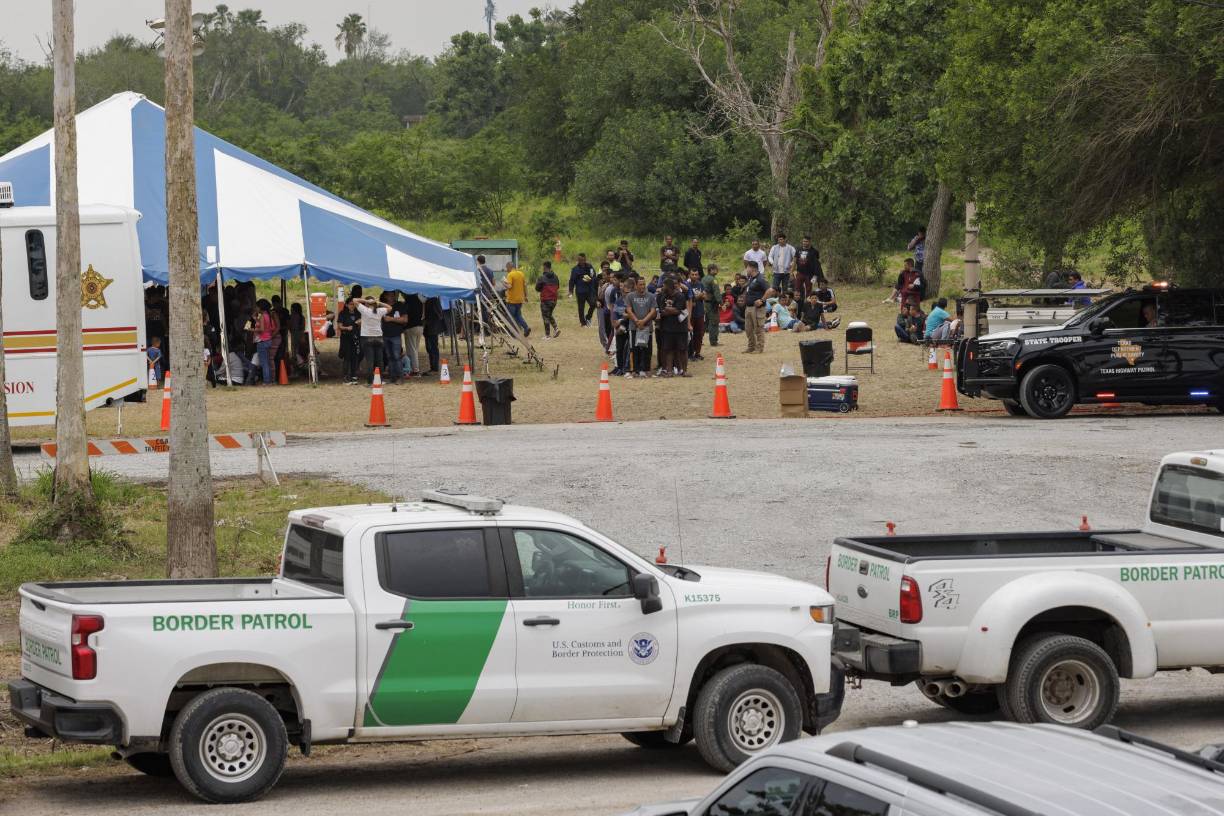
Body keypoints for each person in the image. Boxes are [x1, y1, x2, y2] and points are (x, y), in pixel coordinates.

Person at [654, 277, 689, 376]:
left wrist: (669, 310)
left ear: (668, 287)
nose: (662, 287)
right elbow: (662, 310)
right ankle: (669, 371)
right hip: (667, 328)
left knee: (682, 349)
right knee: (668, 350)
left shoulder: (680, 296)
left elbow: (678, 310)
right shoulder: (661, 296)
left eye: (664, 286)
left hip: (680, 328)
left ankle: (684, 371)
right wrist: (671, 311)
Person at [354, 295, 389, 383]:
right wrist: (378, 302)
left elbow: (354, 300)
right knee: (379, 360)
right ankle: (380, 380)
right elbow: (389, 307)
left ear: (367, 303)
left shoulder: (365, 310)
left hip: (366, 337)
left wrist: (366, 301)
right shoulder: (379, 310)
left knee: (370, 360)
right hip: (379, 337)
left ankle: (370, 380)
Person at [626, 277, 656, 377]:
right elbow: (629, 310)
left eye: (644, 284)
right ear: (636, 286)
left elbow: (653, 311)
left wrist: (644, 321)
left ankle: (646, 369)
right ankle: (635, 369)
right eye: (640, 284)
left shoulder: (651, 296)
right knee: (634, 349)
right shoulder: (630, 296)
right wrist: (636, 321)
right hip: (634, 327)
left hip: (647, 327)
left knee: (647, 349)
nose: (642, 286)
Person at [741, 261, 771, 353]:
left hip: (757, 308)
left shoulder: (760, 278)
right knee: (748, 329)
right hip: (749, 307)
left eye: (747, 268)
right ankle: (751, 347)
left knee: (758, 329)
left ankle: (759, 348)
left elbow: (770, 290)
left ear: (752, 268)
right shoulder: (751, 278)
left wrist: (762, 300)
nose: (746, 270)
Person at [380, 291, 408, 384]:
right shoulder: (382, 306)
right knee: (389, 356)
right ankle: (392, 377)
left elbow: (405, 319)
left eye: (393, 295)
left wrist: (391, 319)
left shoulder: (399, 305)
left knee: (396, 356)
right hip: (385, 335)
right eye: (389, 295)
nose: (391, 297)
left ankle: (400, 377)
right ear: (385, 296)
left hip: (396, 335)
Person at [250, 299, 278, 384]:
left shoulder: (262, 316)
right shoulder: (267, 315)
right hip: (268, 340)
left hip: (262, 341)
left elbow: (261, 329)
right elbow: (268, 327)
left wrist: (252, 329)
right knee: (267, 362)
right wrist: (255, 319)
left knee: (264, 362)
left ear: (260, 307)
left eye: (257, 306)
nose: (256, 308)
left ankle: (267, 381)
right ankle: (269, 380)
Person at [568, 253, 597, 327]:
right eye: (579, 260)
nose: (581, 261)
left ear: (585, 259)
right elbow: (572, 281)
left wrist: (590, 280)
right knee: (581, 308)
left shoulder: (590, 267)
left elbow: (594, 276)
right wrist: (570, 291)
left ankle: (588, 317)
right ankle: (583, 323)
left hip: (589, 290)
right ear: (578, 260)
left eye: (582, 260)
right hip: (580, 291)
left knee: (593, 304)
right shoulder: (575, 269)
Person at [336, 297, 361, 384]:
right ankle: (345, 376)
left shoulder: (358, 313)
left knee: (355, 357)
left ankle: (354, 375)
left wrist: (360, 323)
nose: (352, 306)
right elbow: (339, 326)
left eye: (353, 304)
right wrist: (347, 328)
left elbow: (361, 324)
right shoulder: (343, 313)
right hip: (346, 338)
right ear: (346, 304)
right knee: (347, 357)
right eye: (350, 304)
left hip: (355, 337)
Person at [503, 263, 530, 336]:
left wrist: (504, 283)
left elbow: (509, 286)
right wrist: (526, 296)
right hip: (520, 299)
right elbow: (525, 286)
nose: (506, 269)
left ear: (510, 267)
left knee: (511, 317)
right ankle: (526, 327)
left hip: (511, 300)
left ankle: (513, 333)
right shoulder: (521, 274)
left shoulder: (510, 275)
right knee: (518, 315)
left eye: (507, 268)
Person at [536, 261, 561, 339]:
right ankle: (556, 329)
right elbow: (558, 287)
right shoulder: (556, 276)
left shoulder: (542, 277)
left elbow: (537, 288)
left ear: (545, 267)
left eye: (543, 267)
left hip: (545, 299)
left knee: (545, 317)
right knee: (549, 315)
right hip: (554, 300)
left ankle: (547, 335)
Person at [793, 237, 820, 308]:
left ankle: (807, 306)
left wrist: (816, 275)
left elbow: (816, 264)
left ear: (810, 242)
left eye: (806, 241)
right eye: (803, 241)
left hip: (809, 274)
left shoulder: (814, 251)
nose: (805, 243)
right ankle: (796, 305)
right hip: (800, 273)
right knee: (797, 289)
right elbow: (795, 260)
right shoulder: (798, 249)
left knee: (808, 290)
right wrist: (792, 271)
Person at [402, 293, 425, 377]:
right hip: (420, 326)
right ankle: (414, 368)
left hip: (411, 327)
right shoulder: (420, 301)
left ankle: (415, 369)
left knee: (412, 350)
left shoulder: (407, 303)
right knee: (415, 349)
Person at [423, 297, 444, 374]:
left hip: (432, 327)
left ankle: (434, 368)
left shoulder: (433, 299)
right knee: (429, 348)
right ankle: (433, 367)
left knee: (433, 348)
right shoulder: (429, 300)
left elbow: (439, 314)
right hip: (428, 328)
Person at [701, 263, 720, 349]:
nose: (717, 270)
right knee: (714, 322)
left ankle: (699, 341)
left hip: (704, 302)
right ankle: (713, 341)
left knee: (704, 323)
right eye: (716, 269)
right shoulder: (713, 280)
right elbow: (717, 293)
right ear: (711, 270)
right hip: (712, 303)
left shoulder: (703, 278)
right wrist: (721, 302)